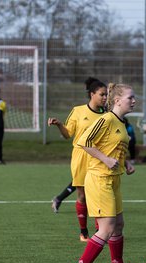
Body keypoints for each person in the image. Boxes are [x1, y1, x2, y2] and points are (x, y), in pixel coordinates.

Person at [71, 83, 144, 263]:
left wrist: (126, 162)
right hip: (99, 179)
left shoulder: (121, 122)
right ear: (117, 100)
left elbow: (112, 148)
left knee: (118, 224)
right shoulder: (106, 119)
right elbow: (84, 142)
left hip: (114, 180)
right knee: (107, 227)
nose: (134, 101)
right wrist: (105, 159)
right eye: (130, 97)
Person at [48, 77, 107, 242]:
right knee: (82, 195)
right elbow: (68, 134)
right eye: (102, 94)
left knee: (98, 194)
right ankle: (83, 232)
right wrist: (59, 124)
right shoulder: (78, 111)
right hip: (80, 156)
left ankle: (100, 231)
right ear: (92, 94)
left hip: (98, 157)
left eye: (106, 95)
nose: (104, 97)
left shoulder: (108, 115)